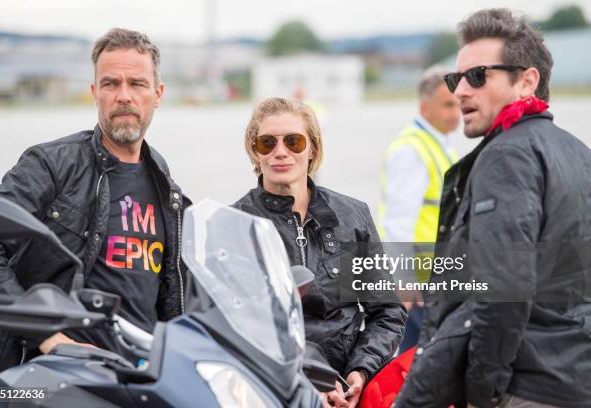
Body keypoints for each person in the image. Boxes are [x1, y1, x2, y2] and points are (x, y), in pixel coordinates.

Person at [395, 8, 591, 408]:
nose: (461, 90)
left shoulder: (507, 156)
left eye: (478, 76)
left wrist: (482, 392)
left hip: (526, 385)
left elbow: (502, 290)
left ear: (527, 81)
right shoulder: (578, 153)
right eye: (456, 78)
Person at [0, 28, 191, 386]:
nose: (124, 96)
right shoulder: (51, 164)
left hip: (139, 379)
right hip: (48, 375)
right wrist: (42, 333)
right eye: (111, 83)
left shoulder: (166, 188)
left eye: (137, 84)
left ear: (157, 94)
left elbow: (174, 293)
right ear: (95, 93)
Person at [234, 97, 407, 408]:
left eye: (293, 140)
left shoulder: (353, 216)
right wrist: (304, 385)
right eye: (267, 143)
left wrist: (360, 371)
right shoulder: (236, 225)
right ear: (254, 151)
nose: (281, 151)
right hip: (272, 392)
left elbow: (387, 312)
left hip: (347, 388)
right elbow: (234, 329)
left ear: (312, 148)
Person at [377, 65, 460, 352]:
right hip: (419, 286)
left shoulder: (440, 145)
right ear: (425, 107)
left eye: (458, 103)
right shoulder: (411, 151)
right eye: (447, 104)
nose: (456, 113)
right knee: (414, 365)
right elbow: (397, 222)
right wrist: (405, 280)